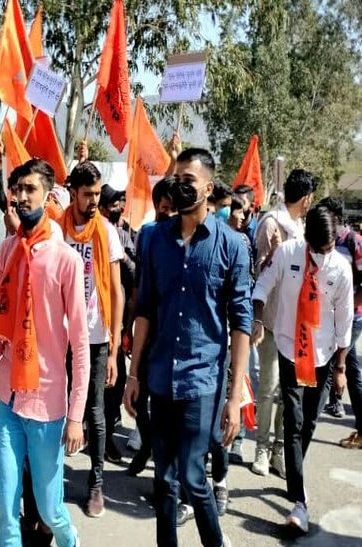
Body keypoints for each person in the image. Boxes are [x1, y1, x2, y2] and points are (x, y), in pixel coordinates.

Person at [124, 148, 251, 547]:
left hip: (203, 382)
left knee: (195, 478)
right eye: (175, 179)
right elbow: (144, 309)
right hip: (160, 378)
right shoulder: (153, 239)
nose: (179, 187)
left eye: (188, 181)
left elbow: (241, 323)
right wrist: (133, 374)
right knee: (164, 480)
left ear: (208, 188)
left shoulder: (232, 245)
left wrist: (234, 397)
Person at [0, 158, 88, 547]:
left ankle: (70, 540)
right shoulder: (6, 251)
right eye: (17, 189)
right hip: (8, 398)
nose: (20, 197)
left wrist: (75, 416)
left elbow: (81, 347)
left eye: (30, 189)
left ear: (49, 195)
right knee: (6, 505)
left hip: (47, 405)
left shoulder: (66, 260)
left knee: (50, 507)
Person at [251, 205, 353, 533]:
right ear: (306, 238)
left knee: (309, 420)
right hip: (289, 348)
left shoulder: (341, 268)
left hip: (322, 356)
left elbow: (344, 320)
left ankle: (294, 470)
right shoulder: (288, 253)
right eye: (316, 249)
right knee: (293, 420)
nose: (321, 256)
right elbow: (264, 284)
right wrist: (256, 316)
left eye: (327, 249)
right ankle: (299, 500)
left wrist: (339, 368)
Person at [61, 161, 123, 517]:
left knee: (95, 411)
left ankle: (96, 482)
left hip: (97, 339)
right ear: (73, 193)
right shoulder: (58, 228)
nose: (94, 201)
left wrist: (114, 347)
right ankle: (49, 479)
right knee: (58, 407)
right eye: (88, 195)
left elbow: (116, 291)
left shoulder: (107, 233)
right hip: (62, 336)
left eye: (98, 194)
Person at [251, 169, 316, 478]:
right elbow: (259, 272)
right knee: (268, 386)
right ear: (305, 198)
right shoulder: (271, 223)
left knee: (288, 392)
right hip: (272, 321)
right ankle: (261, 448)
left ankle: (279, 450)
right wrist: (258, 319)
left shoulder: (303, 228)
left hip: (297, 323)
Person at [127, 177, 176, 477]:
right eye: (163, 208)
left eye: (173, 209)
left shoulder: (185, 237)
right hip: (146, 324)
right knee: (138, 394)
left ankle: (161, 466)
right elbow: (138, 284)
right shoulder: (146, 234)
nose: (168, 214)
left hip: (171, 329)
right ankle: (145, 443)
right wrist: (130, 325)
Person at [314, 197, 362, 448]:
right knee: (352, 369)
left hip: (352, 316)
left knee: (335, 364)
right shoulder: (324, 242)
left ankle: (309, 419)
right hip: (331, 316)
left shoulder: (353, 241)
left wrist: (348, 305)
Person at [99, 183, 135, 465]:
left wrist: (122, 257)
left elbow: (135, 272)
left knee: (115, 380)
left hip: (118, 320)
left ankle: (107, 434)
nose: (119, 208)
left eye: (121, 203)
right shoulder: (92, 231)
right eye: (114, 203)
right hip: (91, 319)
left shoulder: (127, 235)